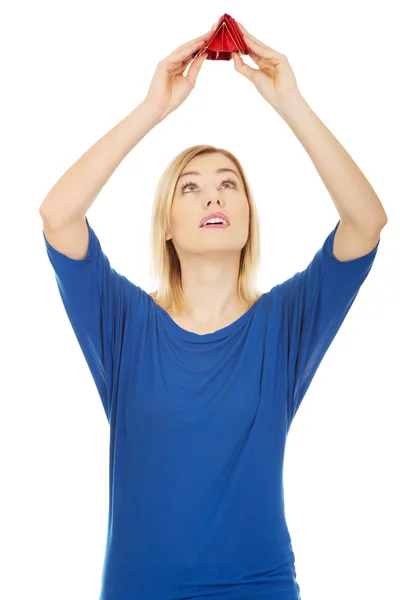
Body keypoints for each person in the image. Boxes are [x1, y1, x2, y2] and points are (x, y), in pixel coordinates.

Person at [39, 21, 386, 600]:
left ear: (248, 218)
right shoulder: (123, 322)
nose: (214, 196)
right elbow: (58, 217)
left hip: (259, 586)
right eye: (191, 188)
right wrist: (154, 107)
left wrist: (289, 102)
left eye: (229, 184)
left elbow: (365, 223)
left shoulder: (285, 323)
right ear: (167, 227)